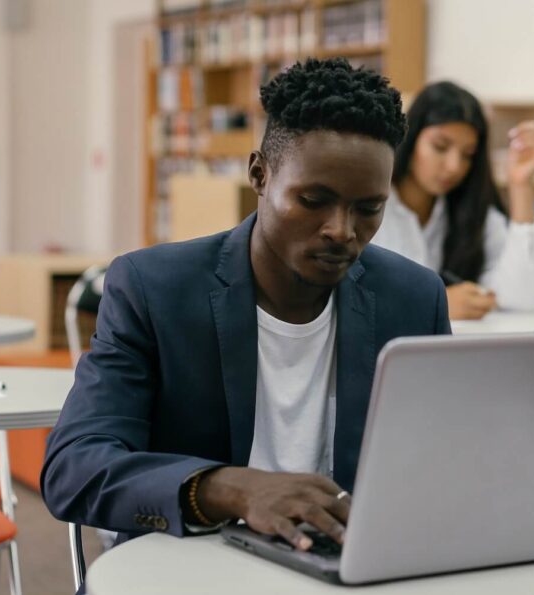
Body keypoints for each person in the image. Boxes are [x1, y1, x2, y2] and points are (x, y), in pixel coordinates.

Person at [41, 58, 450, 557]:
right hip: (190, 569)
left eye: (368, 209)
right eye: (314, 200)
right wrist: (231, 489)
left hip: (342, 571)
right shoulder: (153, 289)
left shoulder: (413, 299)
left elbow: (439, 463)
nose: (342, 230)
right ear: (259, 174)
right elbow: (74, 468)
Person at [369, 81, 534, 320]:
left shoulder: (472, 212)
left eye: (467, 155)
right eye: (440, 147)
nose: (454, 166)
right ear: (410, 136)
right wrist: (434, 304)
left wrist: (521, 185)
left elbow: (525, 298)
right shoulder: (369, 206)